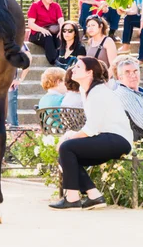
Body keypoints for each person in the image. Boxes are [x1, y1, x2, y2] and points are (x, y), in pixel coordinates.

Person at [49, 57, 133, 210]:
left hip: (118, 140)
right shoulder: (85, 90)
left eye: (78, 67)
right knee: (67, 155)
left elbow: (91, 129)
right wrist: (70, 136)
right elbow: (94, 126)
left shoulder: (98, 92)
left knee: (66, 148)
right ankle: (94, 196)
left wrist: (68, 139)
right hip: (107, 138)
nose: (73, 69)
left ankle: (72, 198)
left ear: (89, 73)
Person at [27, 0, 65, 65]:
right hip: (38, 33)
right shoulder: (35, 6)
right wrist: (42, 30)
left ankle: (62, 60)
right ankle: (54, 61)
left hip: (52, 31)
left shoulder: (56, 6)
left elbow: (61, 20)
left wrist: (61, 31)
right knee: (48, 36)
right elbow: (30, 24)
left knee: (59, 37)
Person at [7, 45, 32, 126]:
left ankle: (13, 134)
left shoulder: (15, 40)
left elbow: (28, 57)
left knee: (11, 119)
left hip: (10, 84)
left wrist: (20, 79)